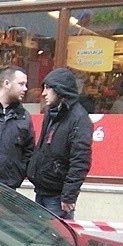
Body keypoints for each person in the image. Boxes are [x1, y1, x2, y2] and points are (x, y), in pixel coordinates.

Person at [26, 67, 93, 220]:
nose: (43, 93)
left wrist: (69, 195)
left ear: (60, 90)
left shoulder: (79, 119)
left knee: (57, 241)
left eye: (48, 88)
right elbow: (43, 149)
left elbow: (80, 161)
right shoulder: (51, 113)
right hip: (42, 190)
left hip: (57, 197)